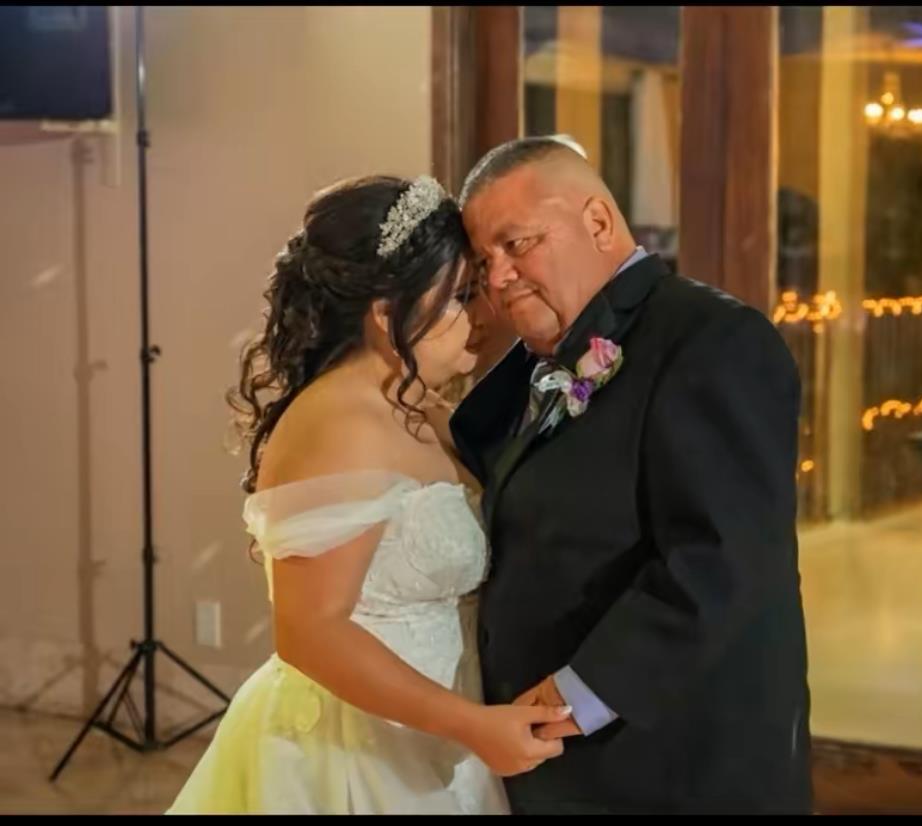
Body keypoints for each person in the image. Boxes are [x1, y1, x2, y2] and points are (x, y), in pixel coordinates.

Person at [168, 174, 569, 814]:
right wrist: (469, 725)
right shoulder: (340, 423)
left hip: (431, 726)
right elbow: (310, 633)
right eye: (459, 296)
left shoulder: (410, 402)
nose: (478, 314)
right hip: (354, 747)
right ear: (387, 317)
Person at [451, 137, 813, 814]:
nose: (497, 277)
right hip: (558, 765)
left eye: (517, 243)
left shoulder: (713, 339)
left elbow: (722, 560)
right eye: (483, 260)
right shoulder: (535, 361)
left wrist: (578, 693)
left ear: (598, 222)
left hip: (670, 763)